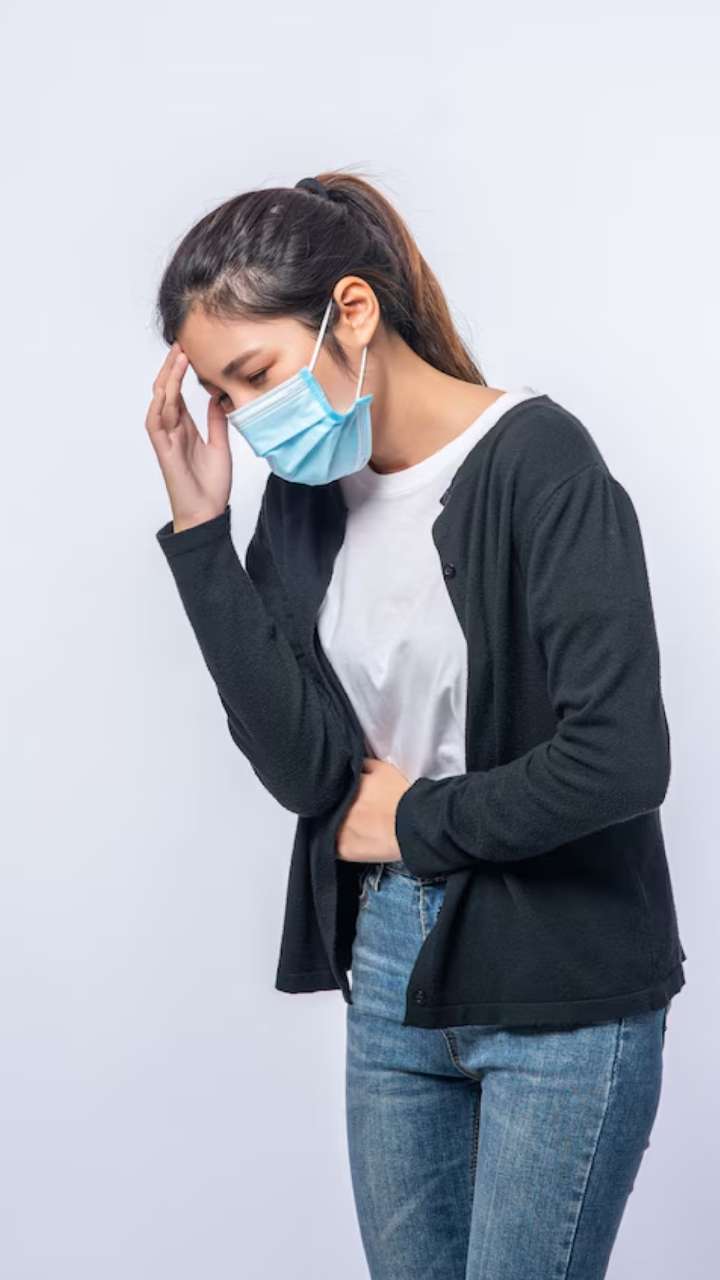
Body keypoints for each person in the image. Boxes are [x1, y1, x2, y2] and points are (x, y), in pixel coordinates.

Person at [145, 170, 686, 1279]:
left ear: (350, 310)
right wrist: (202, 536)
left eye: (255, 375)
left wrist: (415, 819)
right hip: (392, 956)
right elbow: (308, 775)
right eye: (222, 395)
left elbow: (622, 758)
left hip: (559, 970)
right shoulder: (304, 505)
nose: (248, 421)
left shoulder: (540, 463)